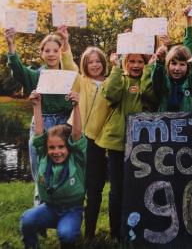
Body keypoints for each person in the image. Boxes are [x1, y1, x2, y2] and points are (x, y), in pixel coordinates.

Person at [4, 26, 78, 206]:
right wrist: (11, 44)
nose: (51, 54)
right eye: (47, 50)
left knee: (65, 168)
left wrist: (66, 40)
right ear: (42, 53)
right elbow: (18, 70)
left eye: (56, 50)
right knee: (40, 168)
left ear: (61, 52)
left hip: (64, 124)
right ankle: (40, 209)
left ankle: (64, 208)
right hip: (41, 122)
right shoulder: (36, 75)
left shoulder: (69, 73)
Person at [95, 52, 157, 240]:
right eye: (132, 61)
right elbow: (111, 95)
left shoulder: (148, 80)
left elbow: (150, 95)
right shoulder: (119, 79)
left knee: (140, 187)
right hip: (117, 143)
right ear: (125, 63)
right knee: (116, 189)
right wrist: (115, 67)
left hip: (141, 144)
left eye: (140, 62)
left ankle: (137, 229)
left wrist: (149, 71)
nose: (136, 65)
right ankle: (116, 232)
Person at [20, 91, 86, 249]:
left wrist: (76, 105)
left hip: (72, 210)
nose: (56, 152)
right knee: (27, 220)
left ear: (69, 147)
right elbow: (38, 132)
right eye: (52, 147)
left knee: (66, 234)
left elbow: (76, 133)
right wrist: (37, 105)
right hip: (49, 208)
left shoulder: (76, 157)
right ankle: (31, 246)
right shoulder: (44, 155)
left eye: (61, 147)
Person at [69, 47, 111, 238]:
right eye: (90, 62)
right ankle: (72, 228)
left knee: (95, 189)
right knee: (77, 187)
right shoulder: (81, 81)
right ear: (85, 65)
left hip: (99, 143)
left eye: (98, 61)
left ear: (103, 62)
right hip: (78, 139)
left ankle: (90, 233)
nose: (94, 65)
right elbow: (69, 64)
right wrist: (66, 45)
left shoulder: (110, 83)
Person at [152, 37, 192, 112]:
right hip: (166, 122)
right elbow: (157, 77)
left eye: (182, 64)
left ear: (188, 67)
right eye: (174, 63)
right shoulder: (164, 82)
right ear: (168, 65)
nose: (177, 68)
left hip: (187, 122)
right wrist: (159, 62)